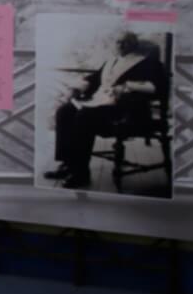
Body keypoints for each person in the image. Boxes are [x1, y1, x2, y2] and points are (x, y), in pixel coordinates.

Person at [47, 32, 167, 189]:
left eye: (126, 42)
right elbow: (94, 79)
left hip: (126, 111)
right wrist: (78, 86)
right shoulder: (111, 61)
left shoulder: (147, 63)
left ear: (134, 44)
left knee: (84, 116)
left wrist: (127, 87)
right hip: (102, 105)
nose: (121, 45)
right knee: (65, 111)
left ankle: (81, 173)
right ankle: (68, 164)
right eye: (118, 42)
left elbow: (158, 88)